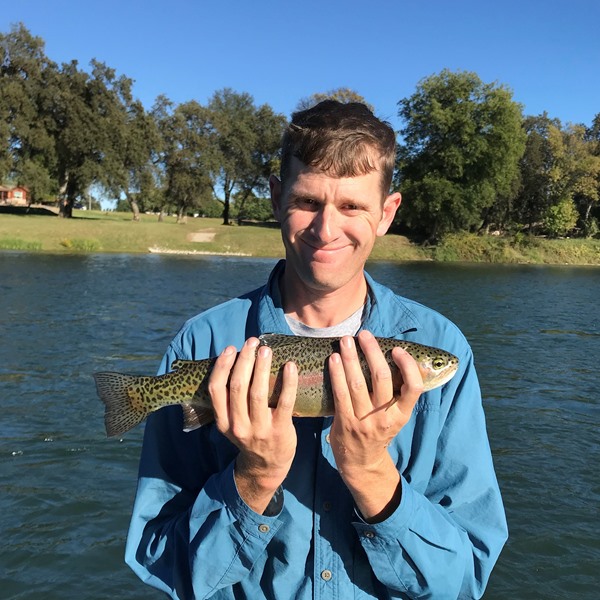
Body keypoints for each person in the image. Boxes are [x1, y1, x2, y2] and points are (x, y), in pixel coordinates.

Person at [125, 100, 507, 599]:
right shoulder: (204, 341)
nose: (326, 230)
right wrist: (254, 477)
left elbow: (463, 582)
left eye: (352, 206)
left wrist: (371, 472)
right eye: (308, 201)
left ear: (387, 212)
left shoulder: (442, 344)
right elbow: (164, 565)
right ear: (277, 198)